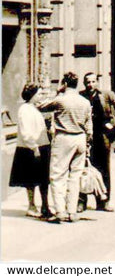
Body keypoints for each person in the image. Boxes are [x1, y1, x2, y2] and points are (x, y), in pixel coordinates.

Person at [38, 72, 92, 223]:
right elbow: (89, 125)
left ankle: (60, 211)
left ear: (65, 84)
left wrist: (57, 92)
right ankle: (72, 211)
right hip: (80, 138)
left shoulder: (61, 100)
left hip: (64, 138)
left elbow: (41, 106)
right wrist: (87, 142)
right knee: (75, 176)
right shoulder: (85, 102)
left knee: (57, 175)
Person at [78, 72, 115, 213]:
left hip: (102, 135)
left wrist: (113, 122)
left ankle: (104, 201)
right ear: (84, 83)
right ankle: (81, 201)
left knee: (103, 168)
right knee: (83, 168)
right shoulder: (81, 96)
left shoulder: (106, 95)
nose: (90, 85)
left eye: (93, 81)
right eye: (88, 82)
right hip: (86, 136)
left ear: (97, 82)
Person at [9, 82, 51, 218]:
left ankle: (45, 205)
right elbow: (26, 132)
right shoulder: (25, 109)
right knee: (31, 180)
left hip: (42, 145)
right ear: (32, 95)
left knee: (44, 179)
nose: (40, 96)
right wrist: (34, 147)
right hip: (31, 148)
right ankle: (31, 206)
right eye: (39, 94)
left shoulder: (34, 108)